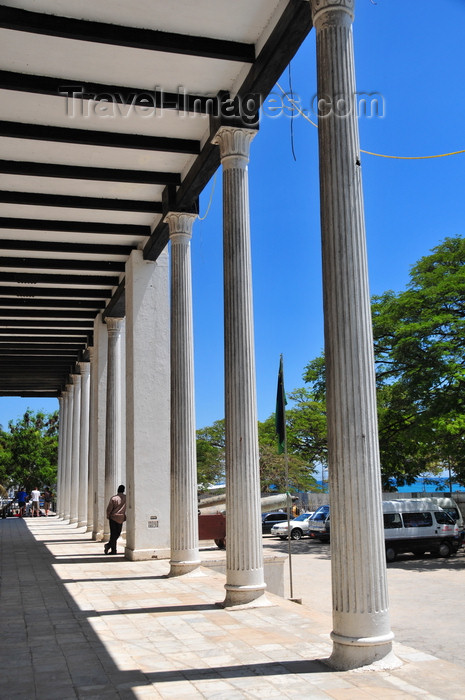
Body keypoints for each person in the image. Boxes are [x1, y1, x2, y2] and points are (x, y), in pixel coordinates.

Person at [104, 485, 126, 555]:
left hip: (113, 518)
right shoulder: (126, 498)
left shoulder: (114, 498)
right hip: (121, 518)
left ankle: (110, 547)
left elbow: (109, 508)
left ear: (118, 490)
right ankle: (112, 548)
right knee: (117, 534)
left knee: (113, 534)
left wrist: (108, 515)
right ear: (123, 490)